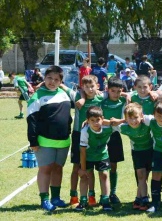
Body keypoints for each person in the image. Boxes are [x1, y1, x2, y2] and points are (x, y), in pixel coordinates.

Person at [27, 65, 72, 211]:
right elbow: (31, 120)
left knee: (58, 169)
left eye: (56, 79)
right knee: (45, 169)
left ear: (61, 81)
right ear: (44, 78)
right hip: (44, 141)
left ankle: (56, 198)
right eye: (49, 78)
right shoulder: (37, 96)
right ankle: (44, 199)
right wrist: (33, 140)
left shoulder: (64, 94)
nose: (52, 81)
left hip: (64, 141)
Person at [63, 75, 104, 207]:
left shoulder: (101, 97)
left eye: (92, 86)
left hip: (94, 136)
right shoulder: (77, 97)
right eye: (86, 87)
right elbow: (63, 87)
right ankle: (73, 196)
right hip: (78, 135)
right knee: (77, 166)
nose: (90, 89)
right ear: (82, 87)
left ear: (97, 86)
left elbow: (119, 92)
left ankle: (91, 196)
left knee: (90, 167)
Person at [112, 103, 154, 211]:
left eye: (136, 117)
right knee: (141, 175)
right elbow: (108, 122)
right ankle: (144, 200)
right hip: (137, 152)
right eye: (130, 118)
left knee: (145, 176)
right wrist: (87, 121)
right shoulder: (123, 128)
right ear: (125, 119)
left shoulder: (147, 123)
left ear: (141, 116)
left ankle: (138, 198)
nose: (133, 121)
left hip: (151, 151)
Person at [76, 106, 113, 211]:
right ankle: (83, 201)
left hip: (102, 154)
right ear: (87, 121)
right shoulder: (85, 131)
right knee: (84, 176)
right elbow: (82, 151)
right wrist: (82, 169)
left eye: (98, 120)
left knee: (104, 175)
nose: (95, 123)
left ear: (102, 119)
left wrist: (114, 121)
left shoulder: (109, 127)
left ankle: (105, 200)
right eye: (92, 120)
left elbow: (121, 123)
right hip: (88, 155)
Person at [101, 77, 127, 204]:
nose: (116, 94)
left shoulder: (123, 100)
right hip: (101, 135)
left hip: (115, 136)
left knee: (113, 166)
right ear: (108, 90)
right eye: (113, 91)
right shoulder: (102, 100)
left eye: (118, 91)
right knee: (101, 167)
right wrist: (112, 122)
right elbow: (98, 118)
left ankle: (113, 193)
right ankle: (100, 194)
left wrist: (117, 122)